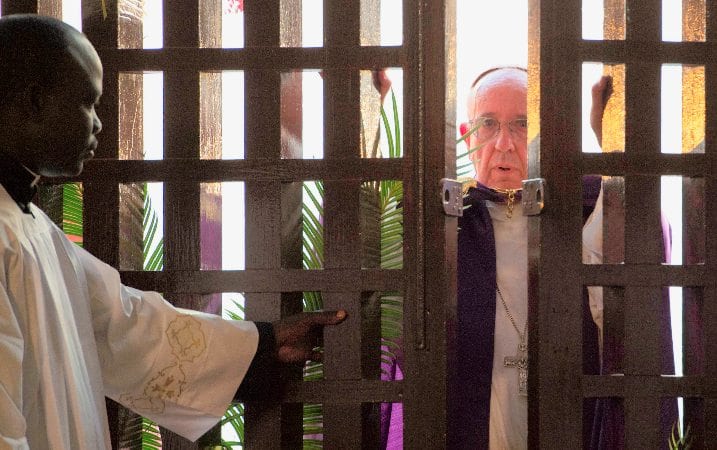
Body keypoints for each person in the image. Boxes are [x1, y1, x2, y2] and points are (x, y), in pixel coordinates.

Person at [0, 14, 346, 448]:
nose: (98, 124)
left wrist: (264, 345)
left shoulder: (27, 223)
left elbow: (121, 323)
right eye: (87, 102)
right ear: (34, 103)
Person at [381, 67, 676, 449]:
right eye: (488, 123)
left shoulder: (582, 214)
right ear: (466, 135)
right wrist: (381, 111)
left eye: (522, 124)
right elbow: (372, 243)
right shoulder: (446, 227)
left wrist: (600, 137)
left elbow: (638, 240)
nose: (504, 143)